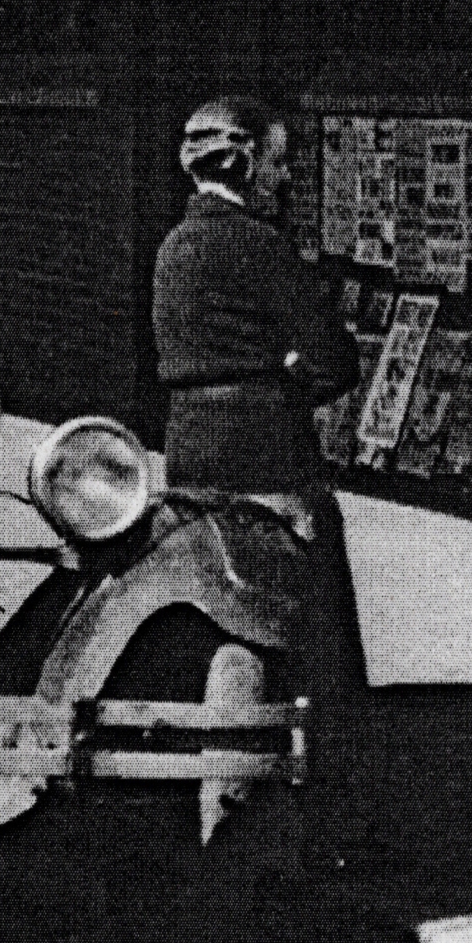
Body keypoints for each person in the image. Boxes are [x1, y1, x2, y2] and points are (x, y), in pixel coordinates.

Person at [148, 92, 375, 850]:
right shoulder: (257, 245)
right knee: (319, 617)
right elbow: (334, 357)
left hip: (190, 451)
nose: (284, 179)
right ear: (245, 161)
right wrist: (289, 373)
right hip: (266, 449)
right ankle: (337, 810)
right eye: (278, 163)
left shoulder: (175, 245)